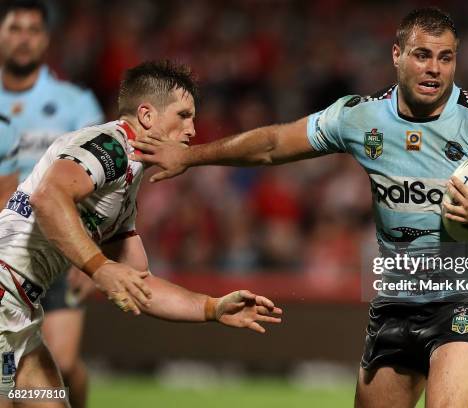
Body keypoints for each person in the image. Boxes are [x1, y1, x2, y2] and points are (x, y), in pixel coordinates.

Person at [130, 7, 468, 408]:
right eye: (422, 55)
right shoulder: (359, 118)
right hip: (401, 291)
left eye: (445, 58)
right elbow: (275, 144)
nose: (434, 68)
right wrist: (191, 155)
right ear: (397, 55)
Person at [0, 59, 282, 407]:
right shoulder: (110, 147)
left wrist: (211, 307)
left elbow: (139, 283)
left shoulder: (126, 183)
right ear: (147, 116)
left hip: (21, 312)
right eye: (183, 115)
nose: (193, 130)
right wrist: (100, 267)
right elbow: (48, 196)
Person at [0, 2, 104, 407]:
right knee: (17, 374)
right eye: (15, 28)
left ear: (45, 40)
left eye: (32, 30)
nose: (23, 38)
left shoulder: (74, 104)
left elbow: (102, 182)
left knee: (63, 360)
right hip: (8, 254)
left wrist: (89, 255)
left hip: (59, 250)